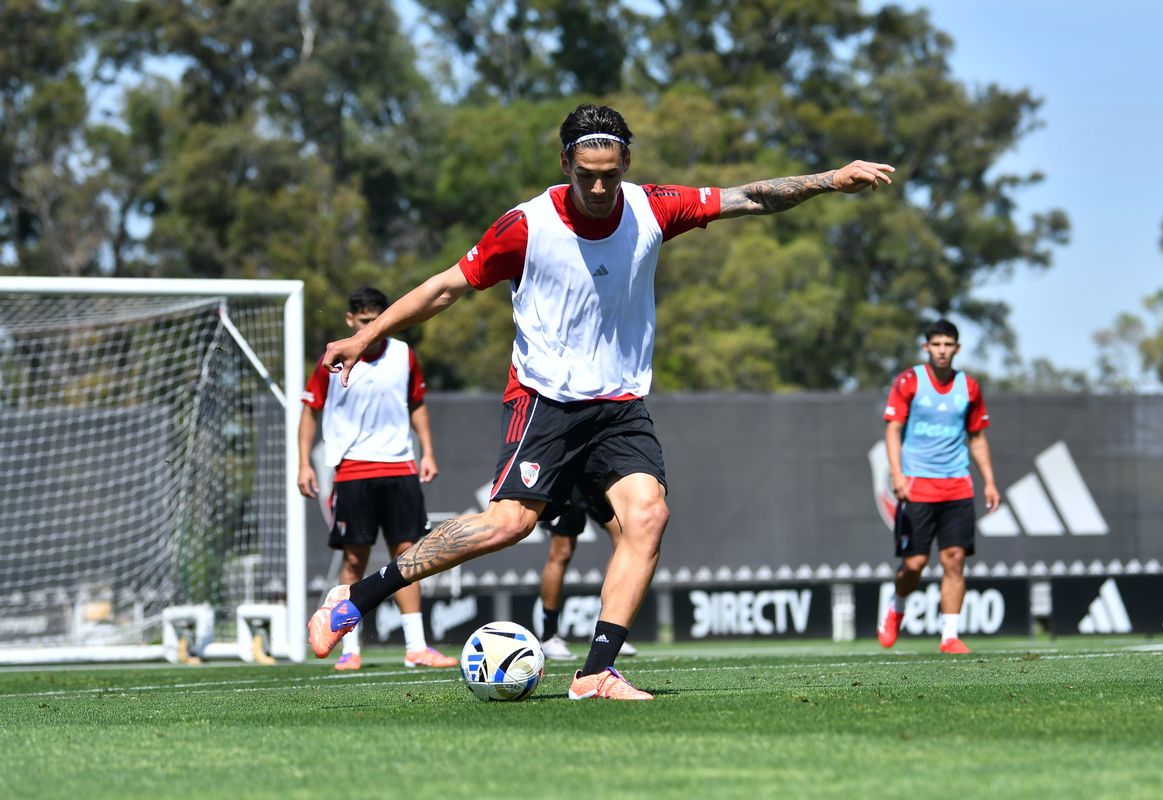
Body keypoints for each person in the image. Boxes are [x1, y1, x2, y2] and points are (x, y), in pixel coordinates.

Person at [308, 103, 894, 700]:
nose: (597, 187)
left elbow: (750, 197)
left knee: (648, 517)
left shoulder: (653, 208)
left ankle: (595, 673)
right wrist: (365, 337)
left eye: (609, 175)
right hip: (546, 399)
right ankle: (356, 597)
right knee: (508, 525)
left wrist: (831, 179)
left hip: (620, 405)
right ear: (565, 163)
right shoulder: (526, 225)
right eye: (585, 174)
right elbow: (445, 287)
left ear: (627, 163)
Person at [297, 286, 456, 671]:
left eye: (377, 320)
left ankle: (416, 647)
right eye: (364, 320)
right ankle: (350, 649)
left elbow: (417, 404)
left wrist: (428, 451)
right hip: (353, 469)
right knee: (354, 558)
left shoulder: (403, 355)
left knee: (410, 556)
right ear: (350, 320)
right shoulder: (332, 360)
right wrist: (304, 463)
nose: (371, 327)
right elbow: (310, 411)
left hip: (400, 466)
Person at [876, 319, 1001, 654]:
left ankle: (949, 636)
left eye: (948, 345)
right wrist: (897, 474)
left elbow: (977, 438)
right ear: (926, 347)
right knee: (914, 564)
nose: (942, 351)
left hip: (957, 485)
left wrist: (990, 482)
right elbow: (893, 429)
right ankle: (897, 607)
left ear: (957, 349)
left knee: (954, 559)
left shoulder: (968, 387)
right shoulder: (909, 382)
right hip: (918, 485)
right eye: (936, 344)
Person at [538, 485, 637, 661]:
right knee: (562, 551)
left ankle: (607, 627)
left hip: (595, 476)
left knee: (624, 538)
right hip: (568, 479)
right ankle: (548, 636)